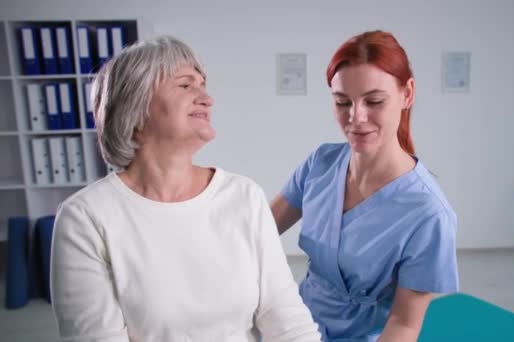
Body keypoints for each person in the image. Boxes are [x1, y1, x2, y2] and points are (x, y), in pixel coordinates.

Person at [50, 35, 320, 342]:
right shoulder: (86, 218)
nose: (206, 97)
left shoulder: (244, 196)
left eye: (203, 85)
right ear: (135, 104)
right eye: (185, 85)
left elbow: (286, 319)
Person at [271, 30, 459, 341]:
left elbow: (404, 323)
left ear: (407, 94)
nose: (356, 118)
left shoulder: (429, 214)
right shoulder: (321, 164)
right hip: (296, 324)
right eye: (342, 102)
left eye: (374, 101)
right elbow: (259, 229)